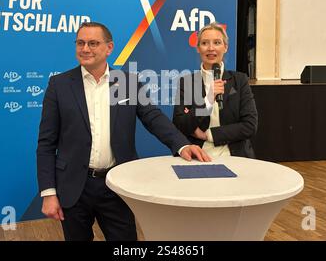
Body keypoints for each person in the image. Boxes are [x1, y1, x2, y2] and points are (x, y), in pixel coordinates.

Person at [36, 21, 210, 241]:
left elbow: (153, 117)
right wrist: (49, 193)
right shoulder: (59, 85)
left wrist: (182, 144)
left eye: (93, 43)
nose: (85, 49)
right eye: (80, 43)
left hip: (117, 183)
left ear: (109, 48)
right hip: (73, 187)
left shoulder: (127, 82)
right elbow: (46, 144)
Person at [173, 22, 258, 159]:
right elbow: (180, 125)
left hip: (234, 155)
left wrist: (209, 135)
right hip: (197, 155)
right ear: (198, 48)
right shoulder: (187, 82)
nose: (211, 48)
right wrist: (208, 100)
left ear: (225, 47)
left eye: (217, 42)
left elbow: (250, 125)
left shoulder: (239, 80)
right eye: (205, 43)